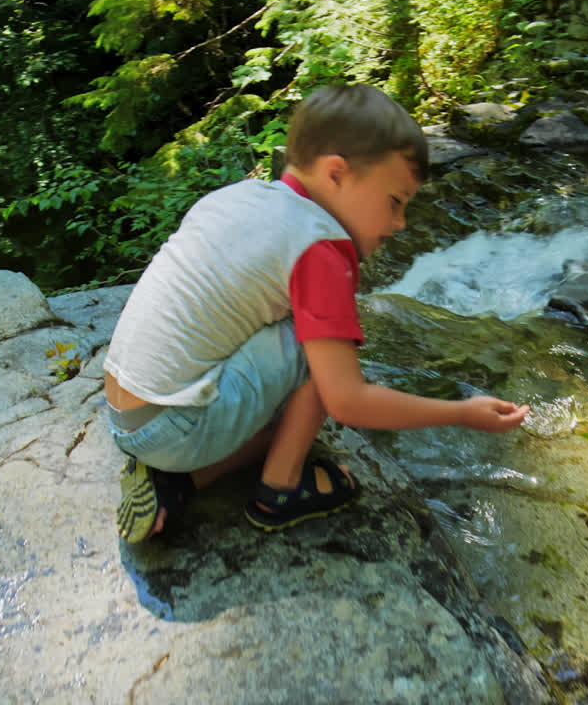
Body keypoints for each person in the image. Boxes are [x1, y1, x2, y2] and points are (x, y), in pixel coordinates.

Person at [103, 83, 530, 543]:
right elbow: (347, 400)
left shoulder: (242, 198)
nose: (400, 224)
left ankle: (176, 482)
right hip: (175, 428)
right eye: (394, 202)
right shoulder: (320, 247)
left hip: (127, 415)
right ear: (336, 174)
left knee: (300, 380)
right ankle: (279, 492)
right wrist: (461, 413)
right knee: (322, 355)